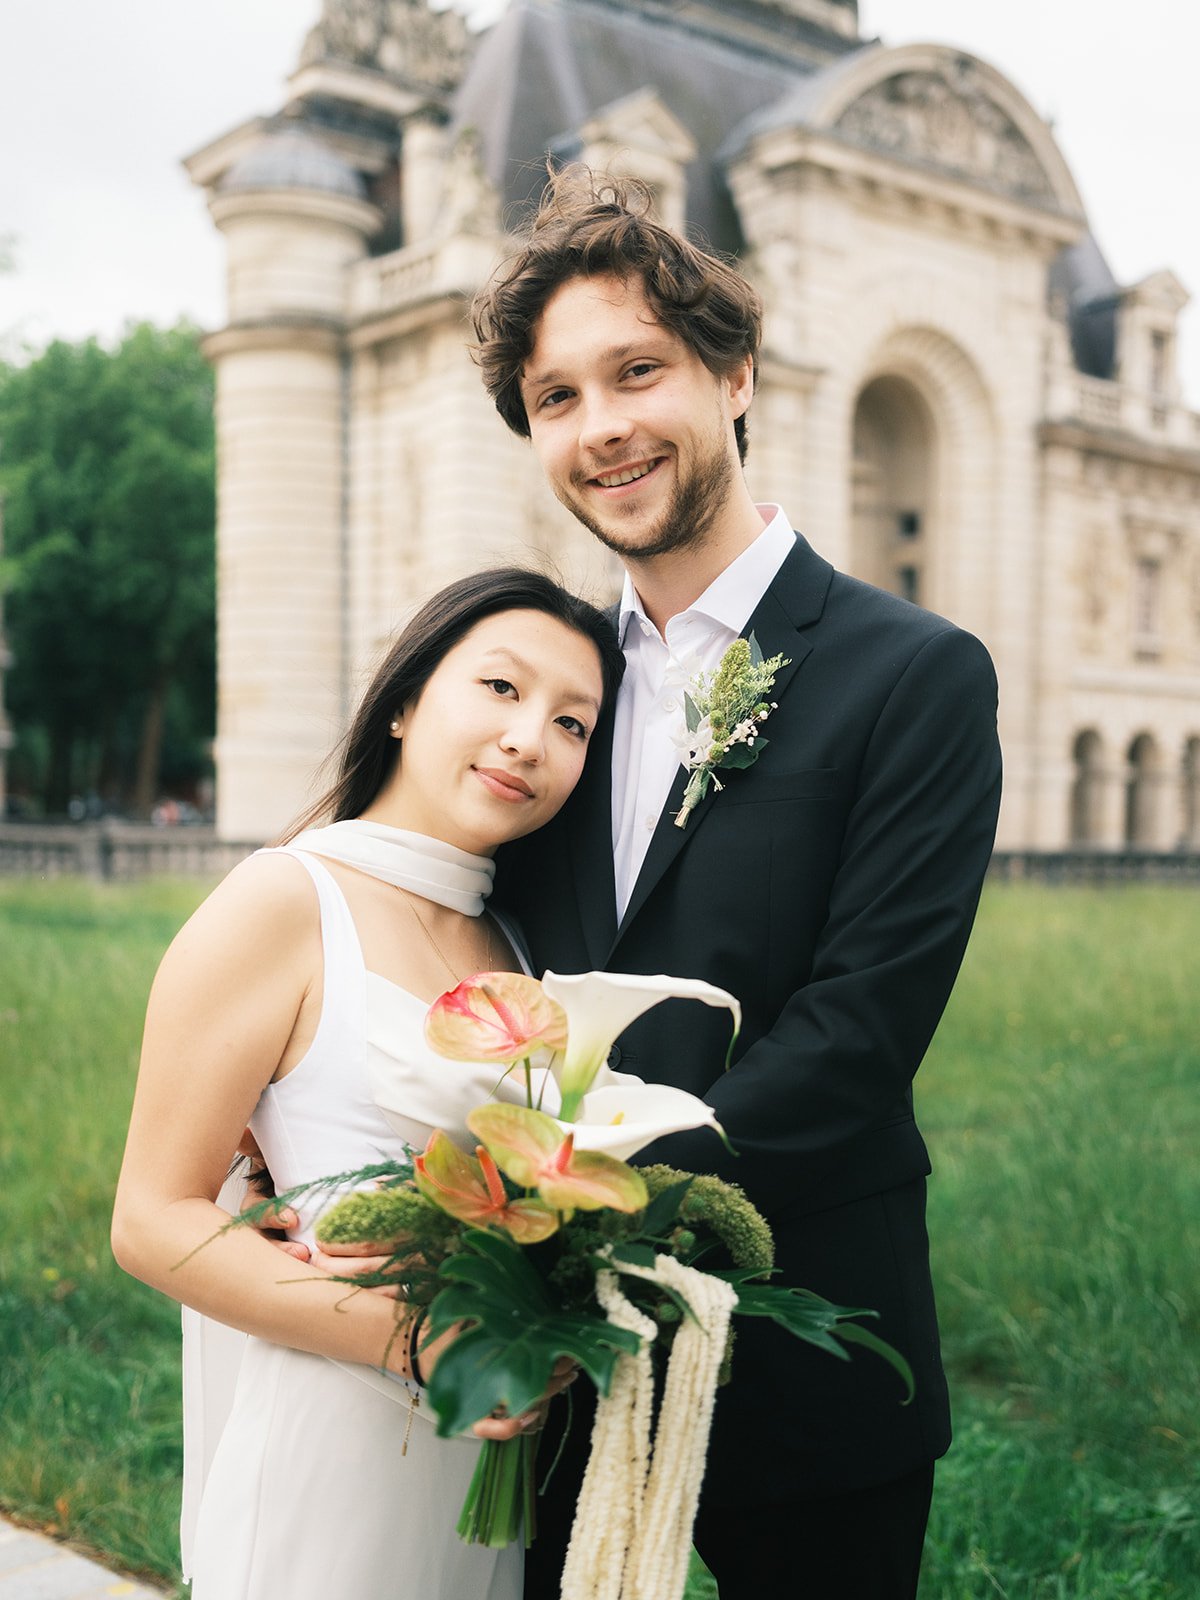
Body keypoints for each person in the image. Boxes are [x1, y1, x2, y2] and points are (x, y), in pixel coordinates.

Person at [470, 171, 1004, 1600]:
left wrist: (578, 1189)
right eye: (557, 397)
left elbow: (859, 1033)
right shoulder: (544, 681)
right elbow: (447, 919)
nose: (603, 427)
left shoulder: (917, 675)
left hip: (809, 1337)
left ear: (736, 371)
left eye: (637, 370)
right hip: (556, 1360)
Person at [111, 568, 624, 1600]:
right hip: (332, 1441)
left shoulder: (516, 945)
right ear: (401, 701)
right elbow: (151, 1220)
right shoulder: (285, 899)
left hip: (480, 1467)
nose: (532, 737)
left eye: (575, 723)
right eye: (500, 688)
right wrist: (422, 1342)